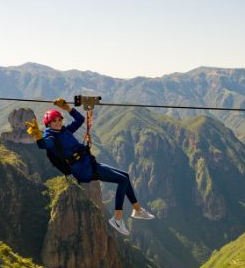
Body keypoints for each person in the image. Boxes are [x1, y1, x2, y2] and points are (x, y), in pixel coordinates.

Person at [25, 97, 154, 236]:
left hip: (89, 162)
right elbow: (45, 145)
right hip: (83, 169)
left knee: (125, 176)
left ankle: (137, 209)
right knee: (122, 180)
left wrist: (67, 108)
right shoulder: (50, 136)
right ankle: (117, 219)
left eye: (59, 119)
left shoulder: (64, 131)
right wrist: (38, 135)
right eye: (53, 121)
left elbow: (79, 120)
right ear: (48, 124)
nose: (57, 123)